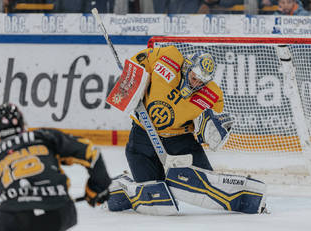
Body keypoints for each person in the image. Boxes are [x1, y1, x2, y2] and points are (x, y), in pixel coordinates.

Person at [107, 45, 267, 215]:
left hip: (179, 141)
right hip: (142, 137)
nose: (196, 83)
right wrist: (130, 79)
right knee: (154, 197)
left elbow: (208, 131)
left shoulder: (212, 95)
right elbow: (139, 61)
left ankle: (241, 197)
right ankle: (118, 189)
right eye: (194, 77)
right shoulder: (168, 57)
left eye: (201, 81)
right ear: (188, 67)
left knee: (204, 184)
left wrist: (212, 130)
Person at [0, 103, 111, 231]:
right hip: (60, 210)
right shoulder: (44, 136)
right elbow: (91, 153)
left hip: (15, 217)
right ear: (23, 124)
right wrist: (98, 187)